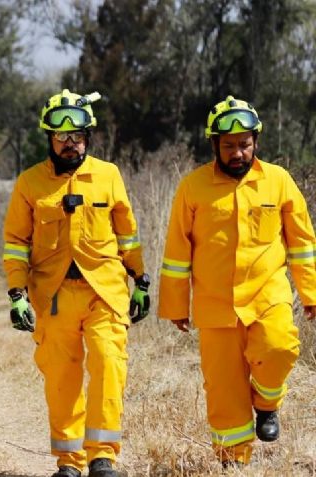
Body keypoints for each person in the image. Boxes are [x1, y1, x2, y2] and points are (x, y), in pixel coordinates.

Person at [158, 96, 316, 468]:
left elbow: (302, 243)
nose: (238, 153)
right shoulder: (193, 187)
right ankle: (234, 462)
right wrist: (177, 306)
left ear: (256, 142)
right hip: (216, 308)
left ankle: (266, 404)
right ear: (214, 144)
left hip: (268, 296)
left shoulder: (278, 181)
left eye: (245, 144)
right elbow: (177, 252)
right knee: (225, 391)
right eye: (229, 146)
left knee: (279, 348)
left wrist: (311, 293)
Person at [2, 89, 149, 477]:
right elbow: (16, 243)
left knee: (107, 363)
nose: (71, 144)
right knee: (62, 377)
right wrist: (16, 294)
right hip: (52, 295)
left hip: (105, 291)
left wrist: (141, 278)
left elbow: (127, 234)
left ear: (89, 136)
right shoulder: (30, 183)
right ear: (48, 138)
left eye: (78, 137)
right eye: (62, 137)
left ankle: (103, 456)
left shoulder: (108, 175)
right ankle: (69, 460)